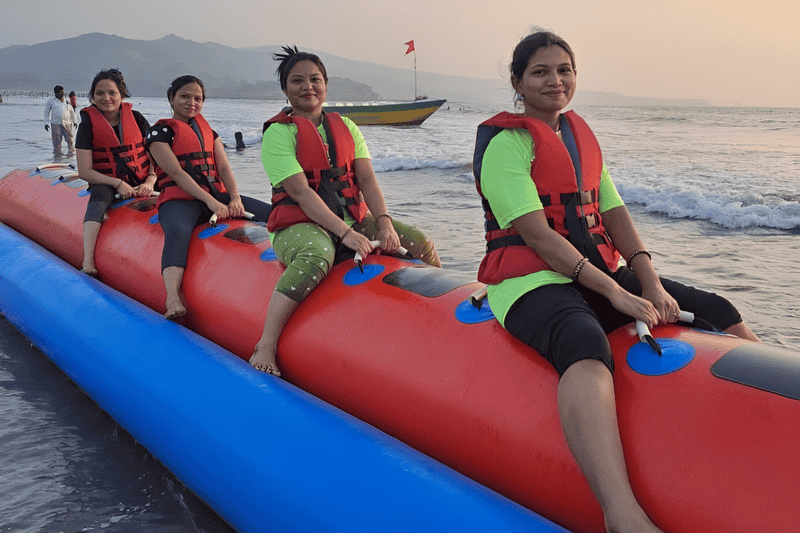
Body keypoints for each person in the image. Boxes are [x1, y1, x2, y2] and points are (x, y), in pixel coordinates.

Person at [473, 31, 760, 533]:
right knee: (583, 342)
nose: (555, 81)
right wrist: (615, 293)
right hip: (529, 281)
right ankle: (619, 510)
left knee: (719, 309)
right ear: (517, 82)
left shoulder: (578, 139)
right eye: (540, 72)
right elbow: (538, 237)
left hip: (597, 272)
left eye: (564, 70)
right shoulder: (506, 145)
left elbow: (614, 213)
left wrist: (650, 284)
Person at [250, 46, 441, 376]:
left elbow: (366, 179)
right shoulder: (279, 133)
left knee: (419, 241)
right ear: (285, 89)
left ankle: (440, 320)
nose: (308, 86)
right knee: (317, 254)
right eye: (297, 81)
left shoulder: (347, 127)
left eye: (315, 79)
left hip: (355, 220)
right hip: (299, 225)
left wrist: (384, 223)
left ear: (326, 85)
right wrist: (345, 233)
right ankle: (266, 342)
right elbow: (300, 192)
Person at [146, 75, 271, 320]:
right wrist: (210, 202)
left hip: (216, 196)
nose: (191, 102)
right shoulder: (158, 134)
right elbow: (176, 173)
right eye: (184, 96)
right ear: (171, 98)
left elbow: (223, 168)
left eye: (197, 98)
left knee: (271, 213)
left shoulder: (209, 133)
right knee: (178, 232)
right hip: (179, 200)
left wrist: (234, 198)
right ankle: (172, 297)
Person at [75, 69, 158, 277]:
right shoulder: (87, 125)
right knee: (98, 200)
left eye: (112, 92)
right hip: (105, 181)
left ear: (122, 95)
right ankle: (88, 260)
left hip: (144, 178)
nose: (106, 98)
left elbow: (157, 156)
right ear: (92, 97)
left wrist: (151, 180)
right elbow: (84, 171)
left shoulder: (137, 119)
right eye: (99, 93)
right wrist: (117, 183)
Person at [43, 85, 76, 156]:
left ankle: (71, 157)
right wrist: (46, 123)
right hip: (55, 124)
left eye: (63, 92)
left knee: (70, 141)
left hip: (67, 124)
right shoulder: (51, 101)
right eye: (61, 92)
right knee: (57, 142)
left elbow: (72, 112)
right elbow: (46, 112)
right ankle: (57, 157)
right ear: (56, 93)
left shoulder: (66, 101)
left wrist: (75, 121)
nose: (63, 94)